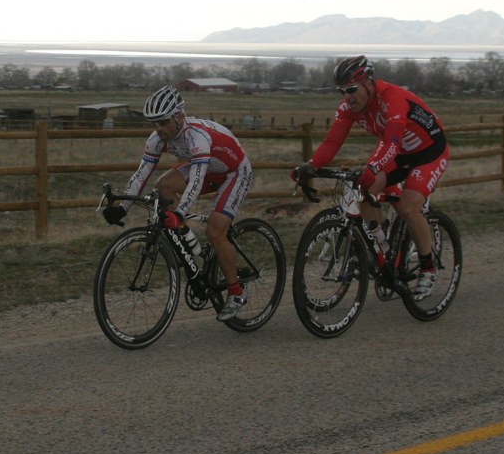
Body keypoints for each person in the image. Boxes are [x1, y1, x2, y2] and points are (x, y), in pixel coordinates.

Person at [292, 55, 449, 300]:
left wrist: (374, 168)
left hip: (428, 151)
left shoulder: (393, 99)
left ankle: (428, 268)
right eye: (341, 91)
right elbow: (333, 141)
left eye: (351, 89)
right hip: (398, 151)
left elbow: (392, 141)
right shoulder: (348, 109)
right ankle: (381, 245)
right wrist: (311, 166)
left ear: (368, 83)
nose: (347, 97)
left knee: (408, 208)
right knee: (361, 190)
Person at [103, 86, 255, 321]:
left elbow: (196, 179)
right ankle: (188, 241)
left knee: (215, 232)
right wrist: (122, 207)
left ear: (179, 117)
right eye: (154, 123)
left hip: (233, 173)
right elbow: (141, 174)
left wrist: (180, 212)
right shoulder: (157, 138)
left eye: (163, 122)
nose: (159, 129)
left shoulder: (197, 136)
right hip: (206, 170)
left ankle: (236, 293)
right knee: (163, 184)